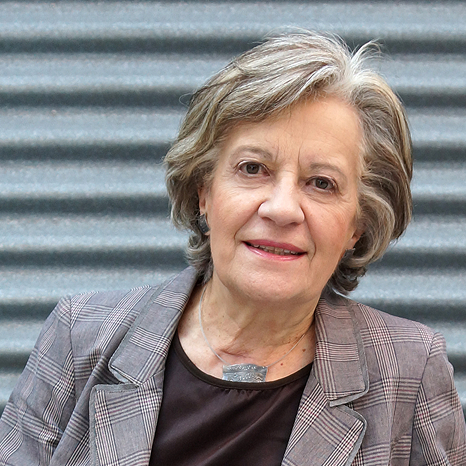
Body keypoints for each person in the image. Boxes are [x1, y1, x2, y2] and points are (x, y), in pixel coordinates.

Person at [0, 30, 464, 466]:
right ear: (203, 190)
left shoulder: (410, 373)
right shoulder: (79, 337)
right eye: (253, 168)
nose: (282, 209)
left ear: (358, 224)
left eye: (322, 183)